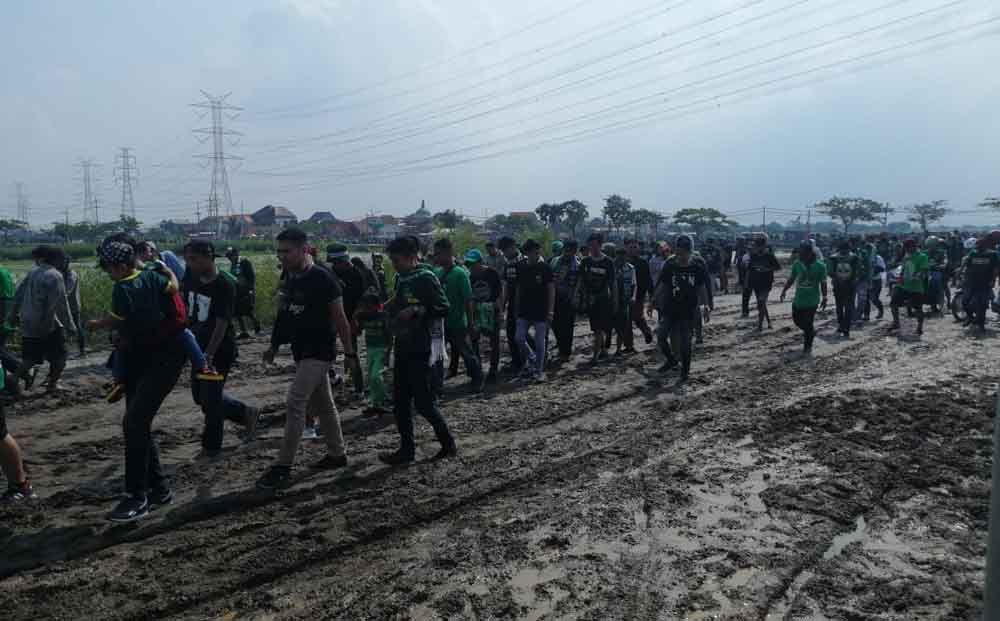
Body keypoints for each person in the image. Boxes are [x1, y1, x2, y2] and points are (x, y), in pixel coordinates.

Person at [95, 238, 187, 522]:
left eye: (109, 267)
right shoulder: (155, 276)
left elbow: (122, 318)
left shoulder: (132, 284)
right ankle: (158, 489)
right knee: (138, 423)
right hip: (139, 357)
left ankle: (137, 496)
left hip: (164, 358)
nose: (109, 272)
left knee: (133, 422)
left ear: (123, 264)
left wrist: (100, 324)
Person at [258, 228, 353, 490]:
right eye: (279, 251)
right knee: (325, 405)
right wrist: (274, 346)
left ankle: (282, 466)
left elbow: (341, 320)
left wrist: (350, 352)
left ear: (303, 249)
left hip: (320, 351)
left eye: (286, 251)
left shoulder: (323, 278)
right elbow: (284, 314)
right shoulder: (290, 276)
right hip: (301, 350)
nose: (282, 256)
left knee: (295, 401)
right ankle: (337, 454)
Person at [380, 235, 457, 465]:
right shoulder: (401, 278)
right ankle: (407, 450)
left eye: (397, 260)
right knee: (400, 402)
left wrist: (417, 311)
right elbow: (402, 299)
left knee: (423, 403)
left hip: (421, 348)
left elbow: (443, 307)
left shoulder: (426, 278)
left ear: (412, 258)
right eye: (392, 260)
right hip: (403, 344)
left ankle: (448, 443)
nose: (394, 265)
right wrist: (390, 305)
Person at [182, 240, 261, 460]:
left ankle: (211, 447)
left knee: (211, 399)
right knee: (200, 397)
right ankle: (245, 413)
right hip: (197, 346)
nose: (190, 263)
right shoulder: (190, 278)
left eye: (194, 259)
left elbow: (222, 322)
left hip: (219, 349)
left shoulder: (224, 285)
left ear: (209, 257)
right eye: (187, 259)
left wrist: (209, 354)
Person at [10, 246, 76, 393]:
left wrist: (13, 314)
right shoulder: (55, 275)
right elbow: (60, 305)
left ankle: (14, 378)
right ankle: (52, 384)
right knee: (60, 357)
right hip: (47, 323)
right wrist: (70, 326)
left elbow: (19, 293)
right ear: (55, 259)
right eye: (62, 259)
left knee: (31, 357)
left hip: (29, 321)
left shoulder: (33, 272)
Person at [653, 235, 710, 381]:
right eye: (679, 251)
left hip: (688, 309)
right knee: (661, 336)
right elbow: (663, 284)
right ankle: (671, 360)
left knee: (686, 342)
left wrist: (706, 305)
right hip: (670, 308)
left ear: (690, 251)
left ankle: (685, 370)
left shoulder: (697, 266)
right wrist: (653, 301)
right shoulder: (670, 264)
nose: (682, 254)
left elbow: (702, 287)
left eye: (685, 251)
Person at [327, 244, 366, 398]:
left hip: (350, 317)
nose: (335, 265)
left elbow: (361, 301)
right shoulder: (332, 272)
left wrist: (355, 320)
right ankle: (332, 378)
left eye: (337, 262)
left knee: (352, 352)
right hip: (332, 316)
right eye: (333, 263)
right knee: (326, 350)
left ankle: (359, 388)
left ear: (345, 260)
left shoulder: (357, 275)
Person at [514, 239, 555, 381]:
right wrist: (515, 307)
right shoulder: (520, 266)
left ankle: (539, 370)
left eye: (537, 251)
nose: (536, 254)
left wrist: (550, 311)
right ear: (527, 253)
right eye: (533, 252)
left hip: (541, 310)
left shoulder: (545, 268)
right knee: (519, 338)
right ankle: (531, 358)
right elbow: (518, 288)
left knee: (540, 342)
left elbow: (551, 290)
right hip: (524, 310)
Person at [780, 241, 828, 355]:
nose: (800, 255)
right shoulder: (797, 264)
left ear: (810, 253)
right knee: (797, 321)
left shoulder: (820, 266)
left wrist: (825, 297)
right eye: (800, 253)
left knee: (808, 323)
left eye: (803, 253)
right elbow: (792, 278)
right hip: (798, 300)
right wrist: (784, 290)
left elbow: (823, 283)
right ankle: (810, 333)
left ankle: (807, 347)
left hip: (812, 301)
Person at [576, 233, 617, 365]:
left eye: (594, 245)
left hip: (603, 299)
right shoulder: (585, 261)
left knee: (598, 329)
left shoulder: (608, 262)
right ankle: (603, 350)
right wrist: (577, 296)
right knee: (596, 328)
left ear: (600, 245)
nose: (592, 248)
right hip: (590, 299)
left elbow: (613, 284)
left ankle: (595, 356)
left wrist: (615, 300)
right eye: (590, 245)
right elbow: (581, 280)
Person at [466, 249, 503, 382]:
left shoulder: (492, 273)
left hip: (492, 311)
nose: (471, 267)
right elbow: (470, 297)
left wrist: (501, 311)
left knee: (494, 341)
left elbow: (499, 292)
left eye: (473, 263)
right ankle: (478, 370)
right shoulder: (470, 277)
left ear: (480, 262)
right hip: (477, 311)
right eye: (469, 264)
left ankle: (493, 370)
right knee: (474, 340)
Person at [354, 293, 390, 416]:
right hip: (370, 349)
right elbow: (358, 332)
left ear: (377, 306)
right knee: (371, 378)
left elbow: (389, 336)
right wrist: (355, 320)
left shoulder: (383, 317)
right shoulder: (363, 317)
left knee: (376, 376)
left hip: (381, 349)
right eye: (365, 307)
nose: (367, 309)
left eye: (369, 306)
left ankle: (383, 399)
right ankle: (376, 404)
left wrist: (387, 353)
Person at [498, 237, 527, 373]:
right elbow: (505, 286)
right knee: (510, 333)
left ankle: (537, 356)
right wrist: (503, 305)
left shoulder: (525, 262)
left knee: (522, 334)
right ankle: (517, 361)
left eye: (506, 250)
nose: (504, 253)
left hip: (524, 304)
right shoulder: (508, 264)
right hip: (511, 304)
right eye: (503, 251)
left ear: (513, 246)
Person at [960, 237, 1000, 332]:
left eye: (980, 245)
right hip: (972, 282)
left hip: (985, 283)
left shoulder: (992, 254)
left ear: (985, 245)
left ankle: (981, 325)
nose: (978, 247)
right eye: (977, 245)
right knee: (965, 301)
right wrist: (960, 273)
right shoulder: (973, 253)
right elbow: (966, 264)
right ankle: (970, 317)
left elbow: (996, 268)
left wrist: (993, 280)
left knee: (982, 305)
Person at [890, 239, 928, 336]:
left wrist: (918, 276)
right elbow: (903, 268)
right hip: (903, 285)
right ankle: (896, 323)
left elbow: (923, 271)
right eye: (906, 247)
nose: (907, 249)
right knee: (893, 303)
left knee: (918, 309)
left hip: (916, 287)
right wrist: (900, 277)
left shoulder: (922, 257)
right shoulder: (906, 257)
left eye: (909, 247)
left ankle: (919, 327)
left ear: (914, 246)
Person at [550, 240, 580, 362]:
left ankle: (566, 352)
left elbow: (579, 282)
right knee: (555, 324)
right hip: (555, 298)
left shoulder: (578, 264)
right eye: (566, 250)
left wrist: (576, 297)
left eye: (571, 251)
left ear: (574, 251)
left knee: (567, 326)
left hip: (569, 299)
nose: (568, 253)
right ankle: (561, 346)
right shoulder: (555, 261)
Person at [825, 241, 861, 338]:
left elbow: (830, 272)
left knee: (840, 307)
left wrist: (838, 279)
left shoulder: (833, 258)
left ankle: (842, 326)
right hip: (849, 285)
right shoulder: (855, 257)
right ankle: (845, 327)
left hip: (839, 285)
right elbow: (857, 272)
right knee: (847, 307)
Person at [746, 234, 781, 331]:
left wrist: (767, 269)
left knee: (761, 301)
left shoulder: (769, 256)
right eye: (757, 245)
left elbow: (778, 267)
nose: (758, 247)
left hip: (767, 282)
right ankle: (769, 322)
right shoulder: (753, 256)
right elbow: (749, 269)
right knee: (761, 304)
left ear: (764, 246)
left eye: (760, 245)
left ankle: (760, 325)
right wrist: (747, 283)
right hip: (756, 282)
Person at [225, 247, 261, 338]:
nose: (229, 258)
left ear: (236, 254)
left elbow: (251, 277)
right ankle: (243, 331)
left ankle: (257, 326)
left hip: (246, 291)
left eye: (230, 256)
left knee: (248, 310)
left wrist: (250, 289)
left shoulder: (245, 262)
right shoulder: (233, 264)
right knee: (237, 312)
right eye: (228, 257)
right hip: (237, 291)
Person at [625, 238, 654, 345]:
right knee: (626, 321)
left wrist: (651, 294)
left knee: (638, 318)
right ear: (626, 248)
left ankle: (647, 332)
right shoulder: (623, 262)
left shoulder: (642, 262)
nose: (633, 249)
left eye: (635, 247)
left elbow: (648, 279)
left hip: (639, 295)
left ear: (638, 248)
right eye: (630, 247)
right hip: (624, 295)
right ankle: (629, 345)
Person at [612, 246, 637, 355]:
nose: (620, 260)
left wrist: (633, 297)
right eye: (618, 257)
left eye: (623, 257)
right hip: (611, 301)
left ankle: (618, 349)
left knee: (622, 326)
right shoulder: (611, 268)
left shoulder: (631, 269)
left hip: (625, 301)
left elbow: (634, 284)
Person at [853, 236, 876, 324]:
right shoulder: (848, 253)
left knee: (862, 299)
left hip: (862, 279)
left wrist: (869, 278)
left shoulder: (863, 253)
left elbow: (868, 266)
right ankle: (852, 316)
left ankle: (858, 316)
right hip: (850, 280)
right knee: (850, 300)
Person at [925, 236, 948, 316]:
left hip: (937, 272)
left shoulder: (941, 252)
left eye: (933, 245)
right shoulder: (924, 253)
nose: (931, 247)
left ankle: (943, 304)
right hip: (926, 272)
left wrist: (942, 265)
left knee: (939, 286)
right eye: (930, 245)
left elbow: (945, 261)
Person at [867, 252, 886, 320]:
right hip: (867, 280)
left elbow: (883, 268)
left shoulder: (878, 258)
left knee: (874, 298)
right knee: (866, 299)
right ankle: (866, 315)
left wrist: (874, 268)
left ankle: (881, 311)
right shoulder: (864, 256)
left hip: (876, 280)